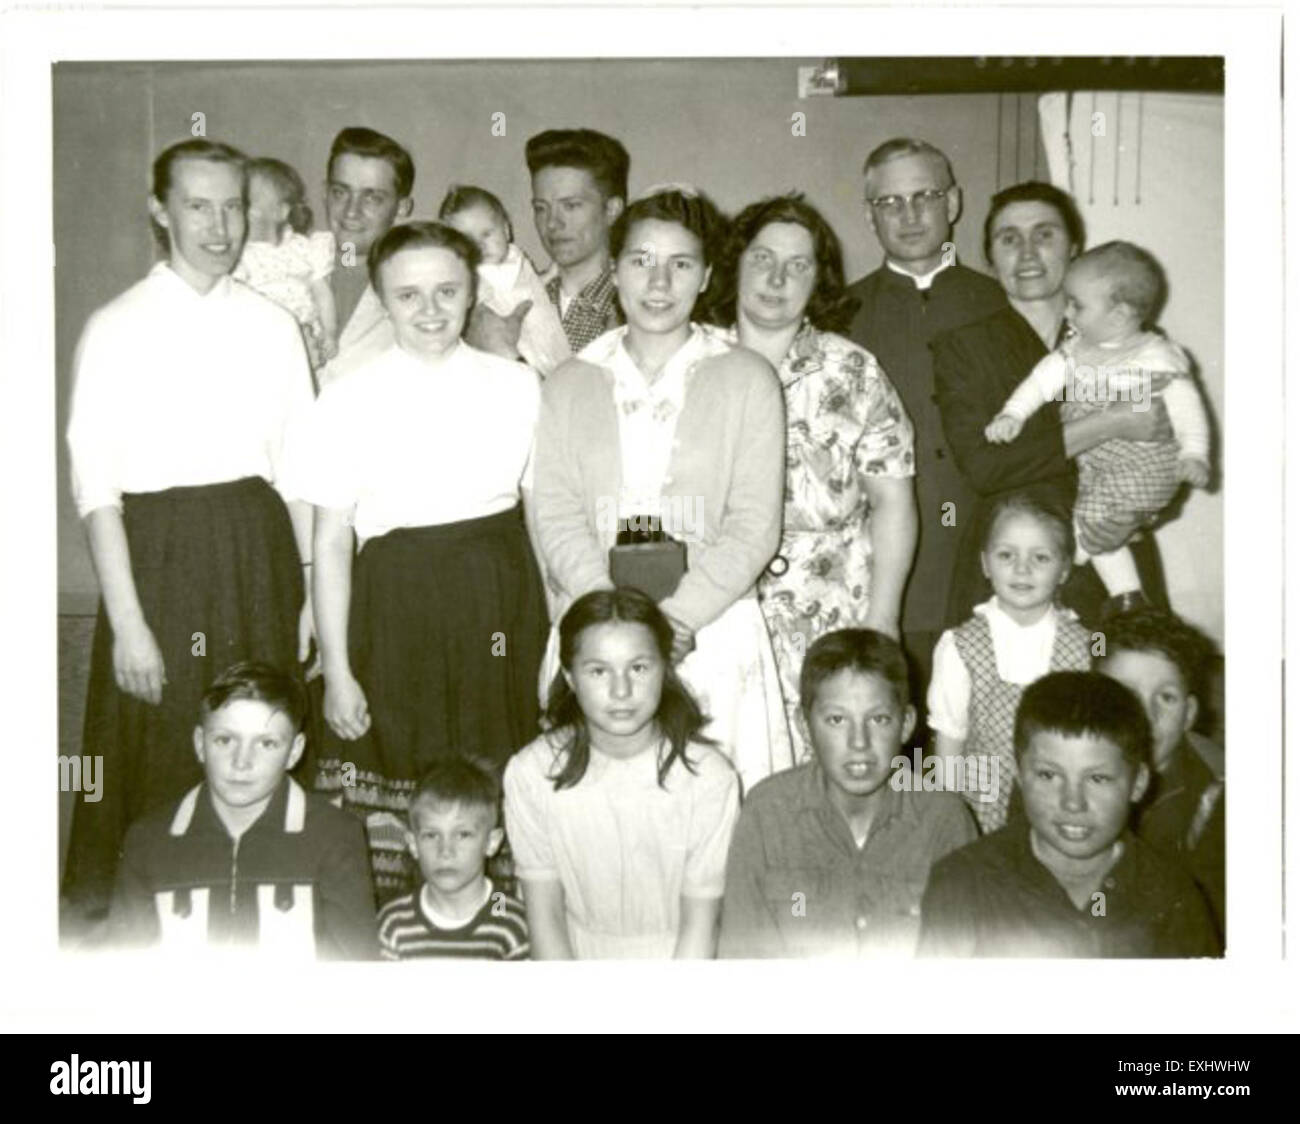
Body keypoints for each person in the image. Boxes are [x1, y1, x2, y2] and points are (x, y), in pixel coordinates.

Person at [63, 139, 315, 930]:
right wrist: (130, 625)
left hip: (258, 553)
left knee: (261, 729)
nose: (218, 225)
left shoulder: (274, 326)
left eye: (233, 206)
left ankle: (257, 912)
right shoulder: (116, 327)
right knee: (164, 738)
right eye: (198, 206)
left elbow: (299, 469)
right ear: (160, 210)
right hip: (161, 560)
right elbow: (97, 491)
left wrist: (308, 594)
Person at [286, 221, 547, 902]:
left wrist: (550, 640)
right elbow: (331, 539)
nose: (430, 311)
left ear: (471, 293)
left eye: (446, 291)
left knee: (501, 766)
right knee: (401, 768)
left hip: (499, 598)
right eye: (408, 295)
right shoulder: (345, 395)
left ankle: (502, 934)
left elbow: (542, 520)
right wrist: (339, 671)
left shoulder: (517, 387)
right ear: (382, 298)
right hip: (394, 605)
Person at [531, 186, 793, 793]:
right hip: (595, 630)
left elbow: (754, 525)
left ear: (704, 277)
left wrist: (673, 622)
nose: (658, 282)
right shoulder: (568, 384)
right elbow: (558, 514)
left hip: (708, 634)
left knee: (711, 821)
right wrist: (609, 621)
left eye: (680, 264)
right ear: (615, 270)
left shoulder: (748, 377)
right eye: (641, 261)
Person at [705, 194, 916, 760]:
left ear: (817, 279)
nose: (777, 278)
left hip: (832, 605)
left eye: (798, 265)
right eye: (763, 259)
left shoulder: (853, 369)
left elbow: (894, 503)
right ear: (734, 264)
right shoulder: (693, 360)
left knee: (826, 767)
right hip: (715, 608)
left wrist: (883, 619)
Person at [931, 182, 1175, 629]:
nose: (1026, 253)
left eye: (1044, 235)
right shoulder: (962, 348)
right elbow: (985, 466)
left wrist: (1144, 509)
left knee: (1117, 689)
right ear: (989, 257)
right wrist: (1109, 422)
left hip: (1114, 552)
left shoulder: (1131, 340)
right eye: (1008, 239)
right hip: (1011, 568)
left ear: (1075, 249)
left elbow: (1164, 439)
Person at [845, 139, 1008, 735]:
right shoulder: (843, 312)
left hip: (988, 565)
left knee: (983, 746)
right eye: (890, 201)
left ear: (955, 203)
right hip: (889, 581)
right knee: (894, 743)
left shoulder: (1000, 304)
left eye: (925, 197)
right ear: (869, 214)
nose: (909, 215)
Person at [503, 589, 740, 959]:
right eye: (598, 671)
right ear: (569, 675)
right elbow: (544, 916)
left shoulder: (709, 777)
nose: (621, 690)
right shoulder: (531, 773)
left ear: (665, 670)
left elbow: (701, 923)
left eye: (639, 668)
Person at [917, 671, 1220, 958]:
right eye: (1049, 775)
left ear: (1138, 783)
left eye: (1097, 779)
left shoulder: (1173, 898)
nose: (1073, 803)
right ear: (1019, 775)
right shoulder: (963, 883)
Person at [718, 629, 974, 958]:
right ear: (804, 725)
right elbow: (743, 960)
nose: (859, 743)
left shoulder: (944, 819)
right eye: (837, 720)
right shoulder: (767, 812)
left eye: (879, 719)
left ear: (907, 724)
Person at [986, 241, 1211, 601]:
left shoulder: (1154, 358)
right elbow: (1040, 382)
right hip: (1098, 471)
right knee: (1096, 528)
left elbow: (1186, 408)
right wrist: (1013, 413)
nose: (1068, 312)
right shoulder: (1077, 350)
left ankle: (1083, 572)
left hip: (1142, 466)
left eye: (1077, 305)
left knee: (1082, 533)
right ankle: (1127, 596)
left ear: (1119, 316)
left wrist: (1195, 453)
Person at [109, 662, 378, 959]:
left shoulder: (336, 835)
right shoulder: (148, 840)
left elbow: (357, 974)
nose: (241, 762)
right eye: (225, 740)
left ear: (294, 752)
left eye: (266, 743)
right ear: (200, 744)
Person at [928, 493, 1092, 833]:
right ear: (986, 563)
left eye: (1041, 557)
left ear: (1064, 569)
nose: (1022, 569)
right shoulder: (960, 646)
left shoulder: (1085, 646)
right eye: (1007, 555)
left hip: (1059, 809)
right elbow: (949, 748)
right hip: (981, 812)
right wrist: (949, 822)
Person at [1097, 607, 1224, 942]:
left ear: (1189, 714)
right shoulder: (1049, 767)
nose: (1146, 715)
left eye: (1166, 698)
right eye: (1126, 694)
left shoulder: (1217, 798)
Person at [377, 757, 530, 960]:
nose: (445, 851)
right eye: (431, 835)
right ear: (413, 844)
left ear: (492, 842)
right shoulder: (393, 923)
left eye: (463, 835)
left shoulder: (512, 921)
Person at [439, 183, 571, 376]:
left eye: (486, 234)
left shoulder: (516, 258)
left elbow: (525, 288)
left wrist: (548, 276)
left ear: (506, 230)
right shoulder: (471, 278)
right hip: (512, 358)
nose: (479, 245)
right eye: (467, 240)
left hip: (554, 345)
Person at [317, 126, 415, 386]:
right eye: (340, 192)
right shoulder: (277, 266)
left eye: (371, 198)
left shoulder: (419, 289)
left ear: (402, 207)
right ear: (325, 192)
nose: (351, 211)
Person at [233, 156, 339, 373]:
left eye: (246, 207)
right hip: (264, 346)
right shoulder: (240, 256)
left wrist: (329, 332)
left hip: (310, 342)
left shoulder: (304, 248)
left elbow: (322, 293)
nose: (236, 215)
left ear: (281, 212)